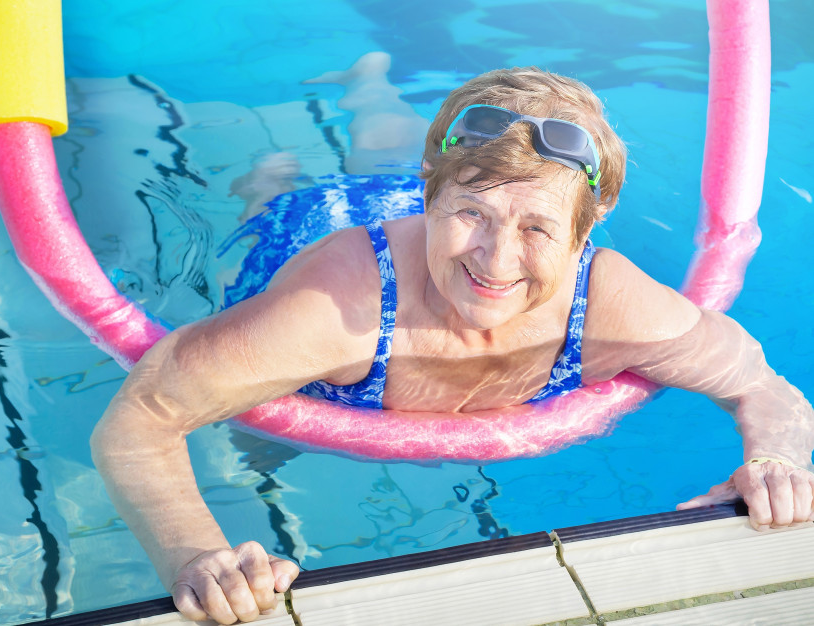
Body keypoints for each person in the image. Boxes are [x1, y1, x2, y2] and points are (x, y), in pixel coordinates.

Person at [90, 67, 814, 625]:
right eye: (473, 213)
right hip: (320, 239)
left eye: (537, 228)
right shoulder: (332, 311)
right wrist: (195, 553)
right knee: (271, 239)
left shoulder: (613, 306)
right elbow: (139, 421)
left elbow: (760, 384)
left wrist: (773, 462)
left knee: (380, 142)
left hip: (425, 228)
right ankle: (269, 180)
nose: (496, 261)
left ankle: (371, 84)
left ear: (586, 226)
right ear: (430, 192)